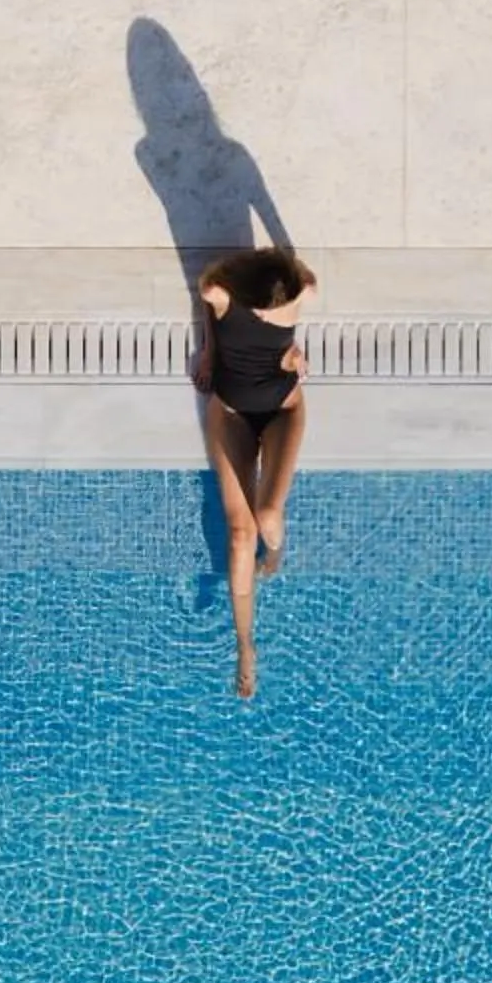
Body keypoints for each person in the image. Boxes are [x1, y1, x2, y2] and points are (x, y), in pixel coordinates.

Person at [190, 243, 318, 700]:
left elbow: (304, 285)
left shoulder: (301, 292)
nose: (272, 319)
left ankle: (277, 555)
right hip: (230, 412)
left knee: (267, 517)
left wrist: (296, 350)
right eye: (266, 313)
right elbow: (207, 298)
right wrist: (209, 351)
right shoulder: (220, 293)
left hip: (284, 408)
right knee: (241, 535)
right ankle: (245, 646)